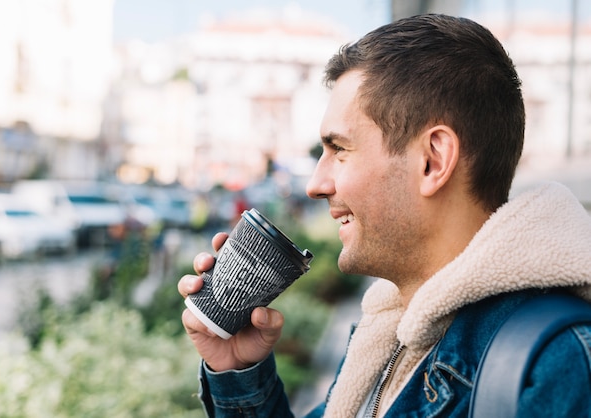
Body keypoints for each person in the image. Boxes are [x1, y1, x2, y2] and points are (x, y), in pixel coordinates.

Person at [178, 14, 591, 417]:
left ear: (432, 160)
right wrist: (237, 368)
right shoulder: (388, 337)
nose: (315, 185)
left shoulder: (560, 365)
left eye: (339, 149)